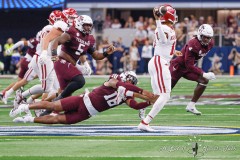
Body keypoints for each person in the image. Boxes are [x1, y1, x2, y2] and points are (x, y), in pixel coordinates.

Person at [10, 71, 156, 124]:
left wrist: (148, 102)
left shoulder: (126, 96)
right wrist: (142, 92)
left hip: (86, 113)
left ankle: (29, 119)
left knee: (57, 119)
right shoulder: (115, 80)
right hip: (82, 100)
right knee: (53, 106)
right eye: (131, 81)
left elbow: (135, 105)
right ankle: (25, 106)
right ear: (127, 78)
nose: (131, 84)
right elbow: (116, 83)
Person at [50, 15, 116, 102]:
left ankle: (46, 109)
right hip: (63, 62)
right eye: (86, 25)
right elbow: (56, 41)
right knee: (80, 80)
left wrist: (106, 53)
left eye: (90, 25)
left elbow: (96, 55)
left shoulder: (89, 39)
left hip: (70, 64)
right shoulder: (72, 31)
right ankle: (57, 100)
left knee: (65, 96)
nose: (88, 27)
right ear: (80, 24)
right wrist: (54, 57)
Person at [138, 4, 178, 132]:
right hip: (160, 62)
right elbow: (163, 40)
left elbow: (164, 44)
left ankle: (143, 106)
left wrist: (173, 52)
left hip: (159, 60)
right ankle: (145, 122)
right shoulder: (163, 28)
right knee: (165, 95)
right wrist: (157, 21)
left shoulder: (165, 27)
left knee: (157, 96)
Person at [169, 24, 216, 115]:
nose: (206, 39)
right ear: (199, 35)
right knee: (165, 92)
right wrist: (203, 73)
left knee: (204, 80)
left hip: (188, 67)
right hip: (178, 67)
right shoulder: (193, 44)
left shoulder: (211, 43)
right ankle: (145, 105)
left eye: (208, 37)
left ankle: (191, 105)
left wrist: (203, 75)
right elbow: (189, 65)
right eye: (204, 37)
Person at [0, 37, 38, 103]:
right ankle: (19, 97)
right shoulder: (39, 41)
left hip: (25, 61)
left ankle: (3, 93)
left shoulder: (36, 40)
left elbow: (21, 43)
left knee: (19, 82)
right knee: (24, 81)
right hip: (30, 63)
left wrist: (10, 49)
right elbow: (21, 42)